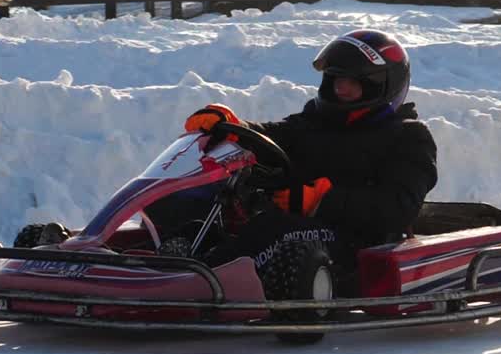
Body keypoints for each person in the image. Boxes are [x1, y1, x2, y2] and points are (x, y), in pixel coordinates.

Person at [183, 29, 438, 287]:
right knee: (196, 213)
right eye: (336, 78)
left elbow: (397, 208)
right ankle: (168, 265)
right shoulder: (315, 122)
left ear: (381, 85)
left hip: (358, 243)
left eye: (353, 81)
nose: (341, 87)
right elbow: (274, 136)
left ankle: (195, 286)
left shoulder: (409, 138)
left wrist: (322, 200)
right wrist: (234, 128)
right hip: (301, 229)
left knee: (274, 229)